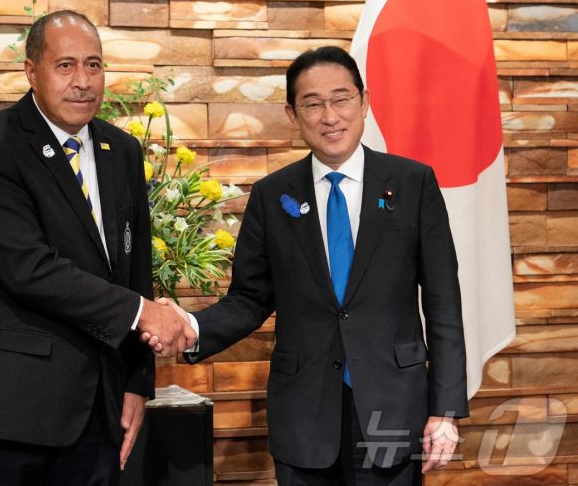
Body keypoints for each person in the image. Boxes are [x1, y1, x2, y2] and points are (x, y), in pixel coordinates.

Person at [147, 46, 469, 485]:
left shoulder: (414, 184)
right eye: (312, 104)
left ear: (364, 102)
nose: (329, 116)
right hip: (304, 414)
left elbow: (443, 304)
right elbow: (249, 299)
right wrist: (192, 326)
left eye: (341, 99)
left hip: (393, 408)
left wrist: (445, 411)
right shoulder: (271, 196)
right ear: (292, 114)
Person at [0, 10, 195, 486]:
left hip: (98, 416)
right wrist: (144, 314)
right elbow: (29, 269)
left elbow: (135, 270)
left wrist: (138, 382)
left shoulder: (121, 151)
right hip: (8, 417)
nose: (83, 81)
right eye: (65, 66)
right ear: (31, 71)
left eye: (93, 65)